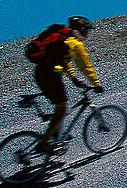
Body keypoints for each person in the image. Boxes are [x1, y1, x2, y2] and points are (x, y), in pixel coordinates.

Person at [34, 16, 104, 153]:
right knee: (61, 109)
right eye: (86, 32)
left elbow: (62, 62)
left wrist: (73, 78)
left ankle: (55, 134)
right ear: (81, 30)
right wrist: (96, 84)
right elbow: (85, 66)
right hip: (51, 75)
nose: (87, 35)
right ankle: (43, 143)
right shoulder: (75, 44)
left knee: (59, 105)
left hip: (41, 72)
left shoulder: (64, 39)